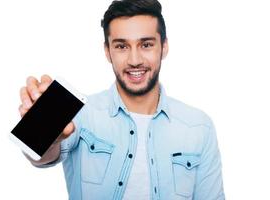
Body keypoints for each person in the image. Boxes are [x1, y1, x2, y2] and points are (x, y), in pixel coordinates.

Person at [18, 0, 225, 199]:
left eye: (146, 44)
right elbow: (42, 156)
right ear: (107, 51)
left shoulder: (199, 126)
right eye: (121, 46)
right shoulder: (81, 113)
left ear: (164, 47)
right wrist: (40, 130)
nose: (135, 60)